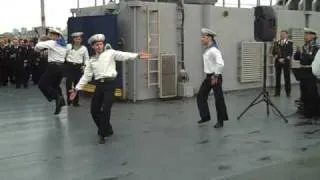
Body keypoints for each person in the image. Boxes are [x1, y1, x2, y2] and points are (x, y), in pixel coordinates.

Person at [69, 34, 151, 144]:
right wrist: (76, 89)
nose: (99, 46)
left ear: (103, 45)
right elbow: (86, 76)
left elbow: (123, 55)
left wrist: (137, 56)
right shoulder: (91, 60)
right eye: (96, 45)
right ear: (93, 47)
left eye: (100, 44)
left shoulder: (110, 53)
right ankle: (106, 128)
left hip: (110, 84)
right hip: (99, 85)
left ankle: (102, 133)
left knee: (106, 109)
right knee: (94, 111)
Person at [197, 28, 229, 128]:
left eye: (203, 37)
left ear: (209, 38)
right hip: (209, 77)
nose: (201, 39)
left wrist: (215, 75)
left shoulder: (214, 50)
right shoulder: (209, 50)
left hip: (215, 77)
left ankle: (221, 121)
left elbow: (221, 64)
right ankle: (205, 116)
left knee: (218, 99)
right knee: (201, 96)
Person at [35, 28, 68, 115]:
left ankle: (57, 97)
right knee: (55, 87)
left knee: (42, 85)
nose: (50, 36)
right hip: (61, 68)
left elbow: (37, 47)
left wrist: (41, 39)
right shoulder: (64, 45)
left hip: (53, 67)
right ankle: (60, 102)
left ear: (56, 36)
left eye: (51, 35)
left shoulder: (52, 43)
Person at [294, 28, 319, 118]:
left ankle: (313, 113)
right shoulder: (305, 46)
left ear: (313, 36)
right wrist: (298, 52)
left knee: (311, 93)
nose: (305, 36)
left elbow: (314, 58)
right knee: (304, 92)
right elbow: (296, 58)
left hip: (311, 71)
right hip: (303, 71)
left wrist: (303, 54)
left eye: (307, 35)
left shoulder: (316, 46)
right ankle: (306, 111)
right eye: (305, 35)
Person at [65, 32, 89, 106]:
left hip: (78, 67)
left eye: (79, 39)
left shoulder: (84, 48)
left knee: (77, 84)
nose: (77, 40)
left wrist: (85, 65)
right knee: (68, 84)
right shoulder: (68, 46)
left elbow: (86, 58)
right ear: (73, 39)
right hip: (69, 66)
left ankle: (76, 102)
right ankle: (69, 99)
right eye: (75, 39)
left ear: (81, 40)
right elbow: (63, 54)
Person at [272, 30, 293, 97]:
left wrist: (284, 58)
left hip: (286, 62)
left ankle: (288, 92)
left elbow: (290, 53)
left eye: (283, 34)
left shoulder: (289, 43)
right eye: (281, 34)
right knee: (277, 78)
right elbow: (273, 52)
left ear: (287, 35)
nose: (282, 35)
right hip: (278, 62)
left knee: (287, 77)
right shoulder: (277, 43)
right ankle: (277, 92)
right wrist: (278, 58)